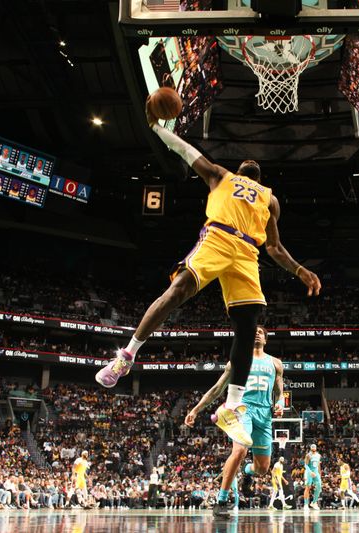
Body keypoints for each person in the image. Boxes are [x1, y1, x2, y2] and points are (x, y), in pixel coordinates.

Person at [96, 98, 321, 449]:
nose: (250, 162)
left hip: (248, 252)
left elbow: (274, 247)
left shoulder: (270, 200)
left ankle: (231, 406)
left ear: (259, 175)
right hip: (218, 237)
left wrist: (299, 269)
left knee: (249, 323)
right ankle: (127, 355)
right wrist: (156, 127)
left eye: (254, 164)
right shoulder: (220, 175)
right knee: (180, 288)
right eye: (246, 162)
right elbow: (187, 151)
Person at [184, 326, 285, 518]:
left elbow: (279, 392)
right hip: (242, 410)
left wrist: (280, 404)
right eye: (253, 330)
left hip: (264, 415)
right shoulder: (238, 359)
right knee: (239, 450)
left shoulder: (276, 363)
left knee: (262, 469)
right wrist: (195, 410)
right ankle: (221, 501)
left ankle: (247, 472)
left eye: (261, 332)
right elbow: (217, 388)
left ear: (266, 340)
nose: (256, 333)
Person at [303, 444, 322, 510]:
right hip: (309, 472)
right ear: (310, 448)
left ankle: (314, 502)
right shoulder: (308, 455)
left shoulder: (319, 455)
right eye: (312, 447)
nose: (313, 448)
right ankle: (305, 504)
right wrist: (310, 472)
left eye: (314, 447)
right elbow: (305, 465)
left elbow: (318, 465)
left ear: (316, 448)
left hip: (316, 472)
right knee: (308, 487)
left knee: (319, 486)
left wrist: (319, 474)